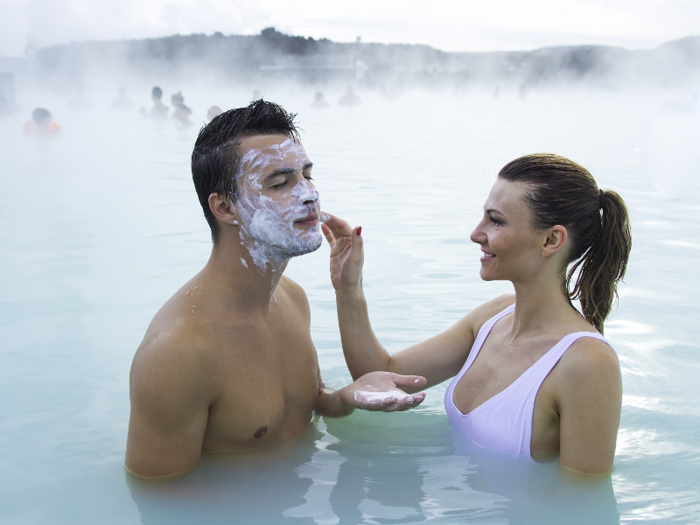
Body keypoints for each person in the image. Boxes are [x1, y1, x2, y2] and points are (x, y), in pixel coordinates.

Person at [125, 100, 426, 479]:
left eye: (307, 176)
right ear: (224, 208)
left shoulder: (291, 299)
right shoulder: (178, 352)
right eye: (281, 183)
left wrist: (344, 397)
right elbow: (157, 497)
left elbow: (304, 405)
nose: (309, 195)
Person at [322, 153, 631, 475]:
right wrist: (349, 290)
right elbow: (381, 375)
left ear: (551, 240)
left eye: (495, 220)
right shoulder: (494, 317)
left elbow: (584, 503)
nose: (476, 233)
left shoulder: (587, 363)